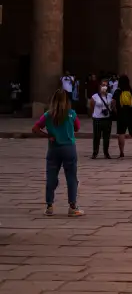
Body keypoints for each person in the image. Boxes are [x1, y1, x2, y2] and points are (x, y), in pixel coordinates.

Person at [32, 89, 84, 217]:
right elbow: (77, 127)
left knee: (51, 176)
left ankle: (49, 206)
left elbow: (35, 128)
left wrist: (48, 135)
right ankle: (72, 206)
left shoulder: (48, 115)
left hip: (54, 148)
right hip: (69, 148)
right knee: (71, 177)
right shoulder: (71, 114)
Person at [113, 75, 132, 158]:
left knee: (121, 133)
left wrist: (116, 111)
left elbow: (113, 103)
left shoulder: (118, 91)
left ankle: (121, 152)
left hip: (121, 115)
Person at [89, 79, 114, 159]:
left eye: (106, 85)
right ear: (100, 86)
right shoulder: (95, 96)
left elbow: (112, 105)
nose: (104, 87)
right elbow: (92, 106)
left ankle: (106, 152)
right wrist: (94, 114)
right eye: (103, 85)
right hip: (98, 118)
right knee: (96, 136)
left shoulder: (110, 96)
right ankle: (95, 152)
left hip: (107, 119)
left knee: (106, 137)